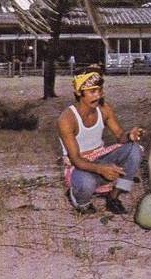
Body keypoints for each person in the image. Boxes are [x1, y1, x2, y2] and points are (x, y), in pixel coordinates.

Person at [58, 66, 144, 215]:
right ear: (79, 92)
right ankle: (79, 199)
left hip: (101, 156)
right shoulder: (67, 119)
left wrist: (130, 135)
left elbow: (120, 135)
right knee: (86, 183)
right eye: (92, 92)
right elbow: (76, 159)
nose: (97, 96)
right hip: (80, 164)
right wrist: (100, 169)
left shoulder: (104, 109)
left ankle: (114, 196)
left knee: (135, 149)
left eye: (100, 91)